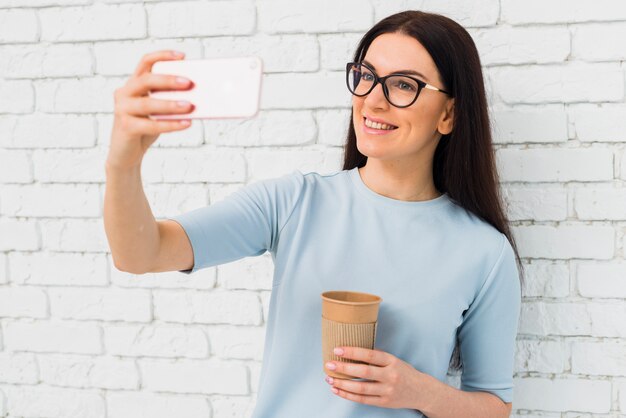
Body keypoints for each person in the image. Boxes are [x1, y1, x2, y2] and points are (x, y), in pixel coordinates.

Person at [104, 10, 523, 418]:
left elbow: (493, 406)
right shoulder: (294, 202)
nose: (373, 100)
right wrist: (123, 164)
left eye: (403, 85)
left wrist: (421, 392)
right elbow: (142, 254)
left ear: (448, 114)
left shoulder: (484, 252)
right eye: (366, 77)